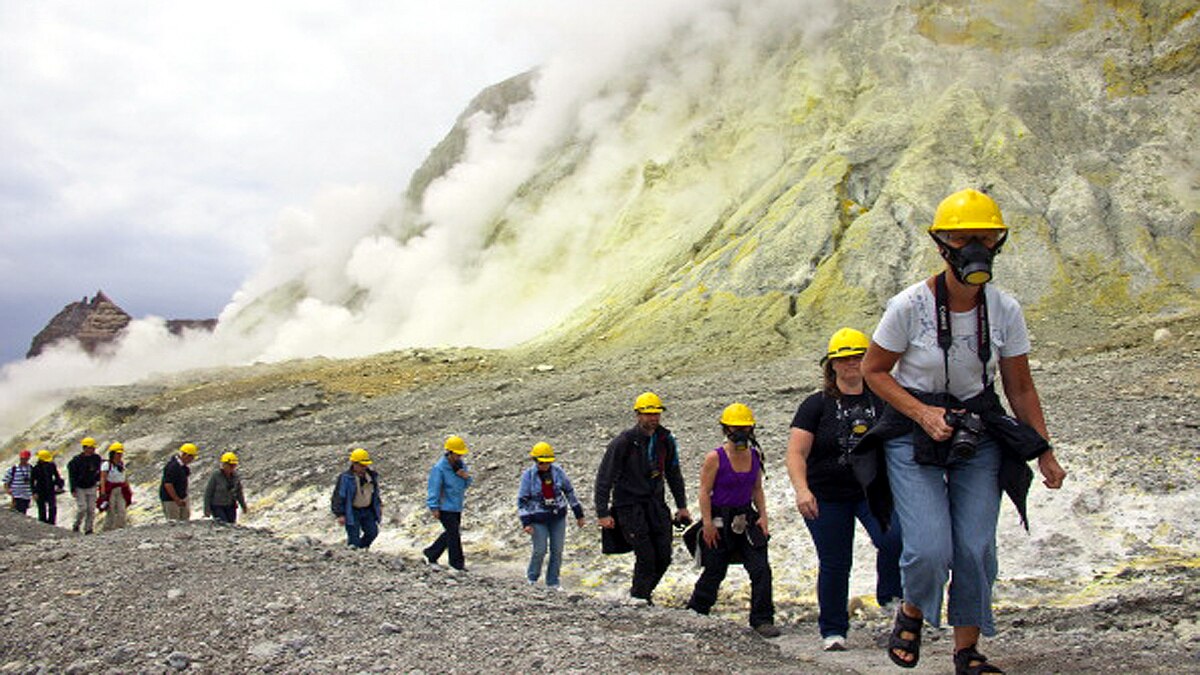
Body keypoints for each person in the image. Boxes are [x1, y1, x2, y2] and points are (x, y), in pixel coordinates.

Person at [860, 188, 1067, 674]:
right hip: (915, 429)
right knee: (930, 548)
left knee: (974, 547)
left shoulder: (1005, 309)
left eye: (986, 235)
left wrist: (1044, 451)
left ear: (998, 242)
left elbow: (1019, 386)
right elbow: (874, 370)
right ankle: (912, 609)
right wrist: (923, 413)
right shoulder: (908, 306)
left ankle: (966, 650)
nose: (975, 245)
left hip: (978, 427)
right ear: (941, 245)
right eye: (962, 236)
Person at [786, 328, 902, 651]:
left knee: (894, 539)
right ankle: (833, 630)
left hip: (873, 491)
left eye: (859, 357)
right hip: (826, 496)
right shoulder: (815, 405)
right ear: (832, 365)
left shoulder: (885, 399)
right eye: (844, 358)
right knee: (836, 562)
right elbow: (796, 452)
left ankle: (891, 597)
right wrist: (801, 490)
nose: (852, 363)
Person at [686, 403, 780, 638]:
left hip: (746, 517)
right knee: (715, 568)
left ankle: (762, 619)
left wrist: (764, 517)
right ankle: (696, 610)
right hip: (719, 517)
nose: (740, 432)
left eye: (745, 428)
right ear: (725, 429)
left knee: (760, 569)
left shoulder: (755, 456)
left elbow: (757, 488)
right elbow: (704, 491)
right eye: (735, 428)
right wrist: (707, 523)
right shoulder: (715, 458)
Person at [594, 392, 691, 605]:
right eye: (648, 414)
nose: (653, 418)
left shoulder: (665, 440)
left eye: (656, 413)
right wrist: (602, 512)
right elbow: (604, 477)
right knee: (646, 555)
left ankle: (641, 595)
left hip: (656, 505)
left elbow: (674, 473)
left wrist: (682, 506)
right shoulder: (624, 442)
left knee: (664, 556)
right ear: (638, 415)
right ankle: (639, 599)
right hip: (628, 506)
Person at [516, 442, 585, 589]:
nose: (545, 465)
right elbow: (522, 500)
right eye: (542, 463)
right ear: (535, 461)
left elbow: (569, 492)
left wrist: (578, 514)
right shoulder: (528, 476)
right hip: (538, 518)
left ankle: (553, 581)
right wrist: (526, 522)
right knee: (540, 549)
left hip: (557, 517)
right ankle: (532, 577)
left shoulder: (558, 472)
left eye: (548, 462)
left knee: (557, 550)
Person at [423, 436, 473, 570]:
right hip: (444, 507)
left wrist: (465, 477)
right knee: (454, 534)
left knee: (451, 533)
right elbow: (434, 488)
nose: (460, 457)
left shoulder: (460, 466)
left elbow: (466, 483)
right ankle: (456, 565)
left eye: (461, 454)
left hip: (456, 506)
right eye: (457, 454)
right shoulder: (439, 468)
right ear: (449, 452)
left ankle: (430, 553)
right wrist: (433, 507)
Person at [333, 448, 382, 549]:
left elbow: (375, 493)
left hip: (368, 510)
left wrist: (379, 505)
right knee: (353, 537)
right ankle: (354, 554)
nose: (364, 467)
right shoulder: (346, 478)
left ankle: (361, 549)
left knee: (372, 532)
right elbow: (339, 496)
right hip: (352, 511)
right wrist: (340, 514)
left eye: (365, 465)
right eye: (361, 465)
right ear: (354, 464)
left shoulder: (371, 476)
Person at [67, 437, 103, 534]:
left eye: (93, 448)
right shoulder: (76, 461)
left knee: (91, 509)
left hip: (92, 486)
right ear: (85, 448)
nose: (92, 450)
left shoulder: (96, 458)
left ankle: (88, 529)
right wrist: (73, 489)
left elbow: (100, 471)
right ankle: (76, 525)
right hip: (80, 488)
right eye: (90, 448)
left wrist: (98, 481)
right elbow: (72, 476)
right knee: (82, 508)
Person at [204, 452, 248, 524]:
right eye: (230, 465)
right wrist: (207, 509)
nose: (232, 467)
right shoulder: (216, 476)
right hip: (217, 506)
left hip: (230, 506)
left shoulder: (235, 477)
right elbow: (208, 493)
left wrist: (243, 506)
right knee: (223, 524)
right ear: (224, 464)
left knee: (231, 525)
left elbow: (239, 492)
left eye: (234, 465)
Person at [159, 442, 198, 521]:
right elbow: (168, 484)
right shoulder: (172, 467)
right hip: (170, 500)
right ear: (185, 455)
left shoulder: (183, 466)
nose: (192, 460)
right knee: (174, 522)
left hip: (181, 497)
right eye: (191, 457)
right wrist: (177, 499)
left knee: (185, 520)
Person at [100, 442, 132, 531]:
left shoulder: (121, 464)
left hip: (121, 489)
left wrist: (128, 489)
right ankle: (107, 528)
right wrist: (103, 492)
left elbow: (124, 477)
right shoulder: (107, 465)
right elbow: (103, 478)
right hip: (111, 490)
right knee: (111, 510)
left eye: (120, 454)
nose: (120, 455)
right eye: (118, 454)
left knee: (122, 509)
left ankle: (121, 527)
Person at [30, 450, 65, 525]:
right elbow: (32, 481)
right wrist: (34, 492)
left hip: (50, 489)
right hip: (40, 490)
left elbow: (57, 476)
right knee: (42, 509)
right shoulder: (35, 468)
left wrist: (59, 485)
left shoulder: (52, 466)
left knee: (52, 507)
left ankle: (52, 523)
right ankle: (43, 523)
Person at [3, 451, 34, 515]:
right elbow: (6, 480)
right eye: (22, 458)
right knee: (16, 511)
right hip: (16, 494)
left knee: (23, 512)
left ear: (28, 458)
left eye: (25, 458)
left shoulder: (31, 468)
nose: (23, 460)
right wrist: (7, 489)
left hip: (27, 495)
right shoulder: (14, 468)